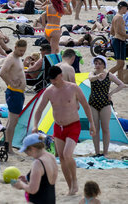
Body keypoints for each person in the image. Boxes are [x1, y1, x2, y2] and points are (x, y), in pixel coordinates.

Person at [32, 66, 96, 195]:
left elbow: (85, 105)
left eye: (54, 79)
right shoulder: (49, 91)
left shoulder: (73, 88)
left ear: (60, 75)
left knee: (67, 154)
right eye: (51, 80)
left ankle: (75, 180)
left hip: (73, 125)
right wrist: (35, 125)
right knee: (61, 157)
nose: (52, 82)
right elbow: (39, 110)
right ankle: (70, 187)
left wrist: (92, 124)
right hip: (58, 127)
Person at [88, 55, 125, 156]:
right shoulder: (93, 73)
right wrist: (97, 76)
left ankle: (104, 152)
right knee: (95, 128)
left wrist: (111, 93)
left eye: (100, 63)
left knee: (105, 128)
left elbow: (121, 84)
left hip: (105, 103)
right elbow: (90, 78)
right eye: (96, 63)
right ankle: (97, 152)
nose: (97, 65)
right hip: (93, 103)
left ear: (104, 65)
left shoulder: (109, 75)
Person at [11, 133, 58, 204]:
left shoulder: (38, 163)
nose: (27, 154)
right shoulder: (51, 157)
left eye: (26, 151)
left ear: (33, 149)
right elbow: (45, 182)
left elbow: (33, 190)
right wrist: (28, 178)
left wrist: (21, 185)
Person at [0, 39, 27, 153]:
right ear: (15, 47)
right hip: (14, 93)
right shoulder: (11, 58)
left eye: (24, 51)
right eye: (20, 51)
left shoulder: (18, 58)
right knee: (13, 122)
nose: (22, 53)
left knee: (11, 121)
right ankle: (9, 148)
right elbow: (2, 73)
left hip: (18, 93)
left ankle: (6, 144)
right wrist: (11, 83)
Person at [109, 1, 128, 83]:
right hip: (119, 41)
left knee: (122, 63)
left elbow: (112, 31)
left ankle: (121, 81)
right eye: (126, 9)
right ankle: (104, 77)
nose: (126, 11)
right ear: (123, 8)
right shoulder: (120, 17)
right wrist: (126, 36)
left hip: (116, 40)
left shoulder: (115, 16)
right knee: (120, 64)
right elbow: (119, 32)